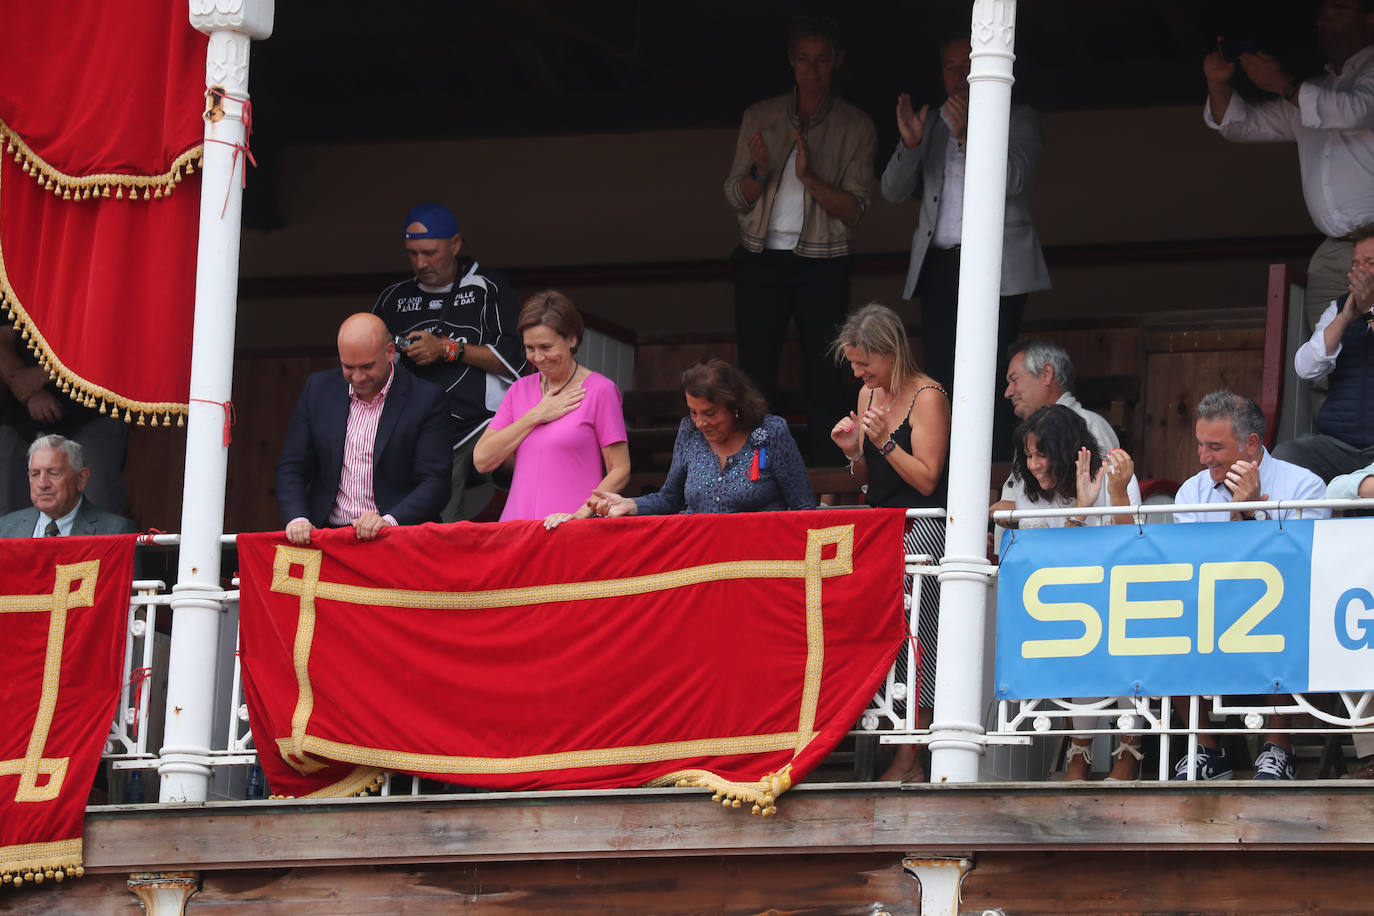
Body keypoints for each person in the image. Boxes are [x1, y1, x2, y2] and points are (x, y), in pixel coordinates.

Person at [879, 32, 1050, 458]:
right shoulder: (931, 120)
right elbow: (892, 191)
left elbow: (1013, 181)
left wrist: (969, 135)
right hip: (941, 264)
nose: (959, 76)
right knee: (940, 374)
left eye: (967, 64)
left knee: (995, 372)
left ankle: (993, 468)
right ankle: (944, 468)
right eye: (951, 67)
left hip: (999, 267)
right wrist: (911, 144)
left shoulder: (1019, 117)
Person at [725, 14, 875, 464]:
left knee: (825, 375)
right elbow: (735, 194)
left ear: (837, 62)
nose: (812, 70)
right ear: (791, 61)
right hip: (759, 256)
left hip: (823, 261)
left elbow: (856, 209)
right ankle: (754, 471)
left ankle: (826, 479)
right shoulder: (761, 115)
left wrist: (809, 178)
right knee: (754, 374)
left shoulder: (856, 126)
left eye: (822, 60)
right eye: (804, 59)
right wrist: (761, 172)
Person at [1171, 390, 1330, 781]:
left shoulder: (1305, 486)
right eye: (1200, 445)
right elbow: (1184, 565)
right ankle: (1205, 749)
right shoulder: (1192, 491)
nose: (1203, 457)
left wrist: (1252, 511)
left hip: (1278, 608)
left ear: (1252, 444)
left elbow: (1301, 565)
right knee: (1163, 620)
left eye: (1214, 447)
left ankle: (1280, 747)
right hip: (1207, 607)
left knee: (1276, 606)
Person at [829, 302, 950, 782]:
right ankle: (877, 743)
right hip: (879, 526)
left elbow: (925, 478)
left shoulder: (928, 397)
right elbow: (867, 477)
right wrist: (851, 452)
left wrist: (883, 444)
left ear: (891, 352)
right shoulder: (867, 396)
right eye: (855, 364)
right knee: (876, 635)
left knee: (919, 641)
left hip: (922, 527)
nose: (858, 373)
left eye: (864, 363)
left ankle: (909, 758)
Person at [1203, 0, 1374, 328]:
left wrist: (1283, 84)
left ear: (1370, 20)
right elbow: (1242, 125)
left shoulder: (1360, 79)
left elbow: (1354, 111)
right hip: (1333, 248)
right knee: (1330, 359)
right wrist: (1218, 83)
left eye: (1337, 13)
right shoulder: (1318, 90)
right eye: (1322, 15)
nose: (1322, 23)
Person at [1007, 405, 1143, 780]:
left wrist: (1115, 493)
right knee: (1080, 649)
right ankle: (1078, 752)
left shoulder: (1114, 476)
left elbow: (1134, 545)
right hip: (1066, 596)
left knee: (1125, 646)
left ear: (1066, 451)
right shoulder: (1031, 495)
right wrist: (1080, 510)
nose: (1034, 465)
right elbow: (1045, 558)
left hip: (1122, 591)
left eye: (1042, 454)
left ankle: (1129, 751)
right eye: (1029, 455)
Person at [371, 202, 525, 521]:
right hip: (416, 430)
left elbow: (516, 361)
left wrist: (446, 349)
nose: (421, 262)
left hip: (477, 425)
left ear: (455, 244)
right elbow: (364, 366)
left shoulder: (488, 287)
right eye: (412, 254)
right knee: (432, 528)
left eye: (430, 252)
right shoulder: (393, 298)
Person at [276, 313, 453, 545]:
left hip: (398, 537)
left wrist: (388, 521)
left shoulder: (426, 399)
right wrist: (297, 518)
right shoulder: (317, 390)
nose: (358, 377)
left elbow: (435, 482)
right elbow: (292, 467)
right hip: (328, 537)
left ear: (390, 352)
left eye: (367, 366)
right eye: (348, 367)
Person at [473, 291, 630, 526]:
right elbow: (482, 460)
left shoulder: (600, 390)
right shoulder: (519, 390)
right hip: (517, 529)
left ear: (572, 339)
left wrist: (581, 514)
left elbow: (620, 469)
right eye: (530, 348)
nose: (538, 357)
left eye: (546, 347)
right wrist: (536, 415)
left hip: (571, 526)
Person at [587, 359, 814, 517]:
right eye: (693, 412)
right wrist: (630, 504)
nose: (700, 422)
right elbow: (670, 499)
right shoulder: (689, 433)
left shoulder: (771, 432)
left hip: (759, 562)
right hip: (701, 562)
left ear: (735, 406)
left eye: (710, 413)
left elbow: (803, 507)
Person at [1272, 224, 1374, 480]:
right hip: (1339, 446)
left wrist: (1371, 310)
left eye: (1369, 263)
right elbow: (1305, 368)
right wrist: (1344, 318)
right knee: (1287, 456)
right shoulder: (1338, 307)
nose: (1359, 271)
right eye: (1356, 264)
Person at [0, 321, 128, 518]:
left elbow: (112, 340)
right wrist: (30, 393)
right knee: (9, 516)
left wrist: (44, 374)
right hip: (21, 413)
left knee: (99, 507)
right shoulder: (15, 289)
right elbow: (3, 341)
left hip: (91, 407)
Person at [992, 339, 1119, 523]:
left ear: (1046, 374)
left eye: (1014, 380)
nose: (1008, 392)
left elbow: (1102, 502)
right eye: (1030, 456)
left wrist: (1016, 511)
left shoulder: (1088, 424)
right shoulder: (1031, 432)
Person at [0, 434, 136, 537]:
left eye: (53, 473)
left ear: (81, 478)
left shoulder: (115, 532)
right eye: (35, 474)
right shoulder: (5, 529)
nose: (42, 484)